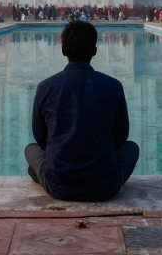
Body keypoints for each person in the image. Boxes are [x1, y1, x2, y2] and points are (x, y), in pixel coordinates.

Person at [25, 20, 139, 202]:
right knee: (132, 148)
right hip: (104, 186)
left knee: (31, 149)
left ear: (63, 50)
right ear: (94, 51)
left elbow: (41, 139)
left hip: (58, 186)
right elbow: (121, 137)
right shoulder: (113, 87)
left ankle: (42, 174)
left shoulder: (45, 87)